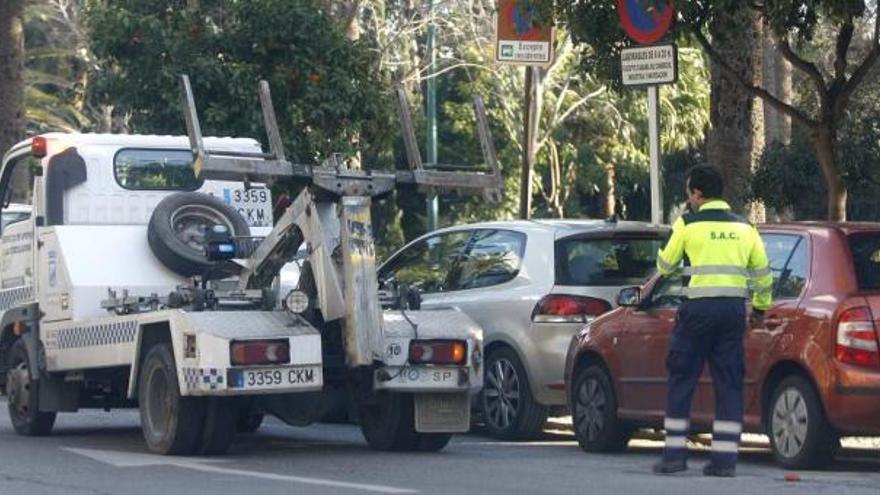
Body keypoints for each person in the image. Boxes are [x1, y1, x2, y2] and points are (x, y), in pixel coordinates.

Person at [652, 165, 772, 477]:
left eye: (689, 194)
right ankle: (724, 461)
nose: (688, 200)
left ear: (697, 194)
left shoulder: (687, 223)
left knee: (682, 379)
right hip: (733, 314)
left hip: (697, 314)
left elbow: (664, 266)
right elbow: (762, 274)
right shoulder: (746, 227)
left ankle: (674, 457)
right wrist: (759, 310)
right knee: (729, 383)